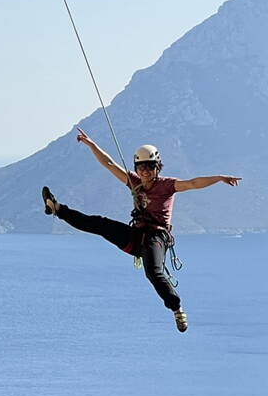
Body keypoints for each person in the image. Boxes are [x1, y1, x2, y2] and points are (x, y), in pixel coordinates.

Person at [42, 127, 242, 332]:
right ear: (137, 168)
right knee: (99, 224)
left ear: (157, 167)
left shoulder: (167, 185)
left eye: (150, 166)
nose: (145, 171)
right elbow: (109, 163)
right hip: (136, 236)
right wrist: (91, 144)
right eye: (141, 167)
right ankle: (57, 208)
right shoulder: (134, 182)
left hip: (157, 237)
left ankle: (176, 308)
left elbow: (193, 182)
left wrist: (219, 177)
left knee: (153, 272)